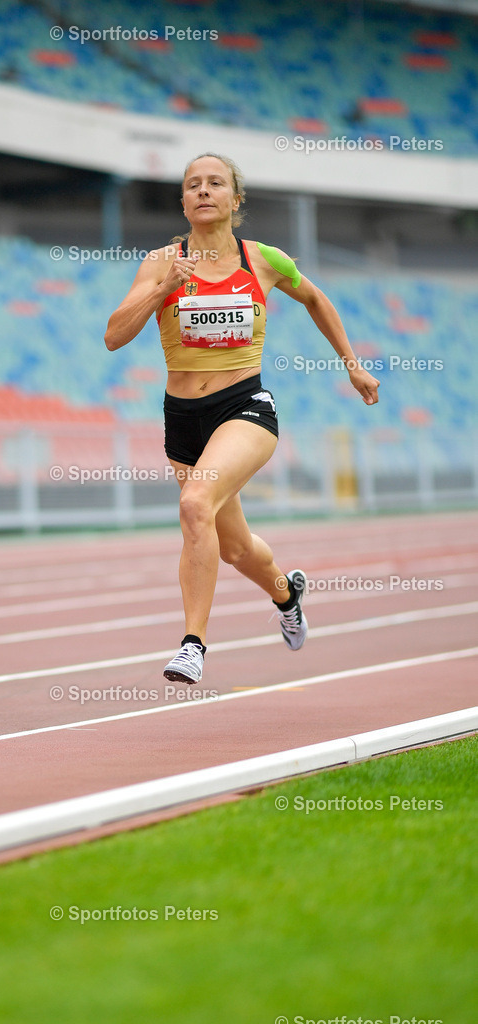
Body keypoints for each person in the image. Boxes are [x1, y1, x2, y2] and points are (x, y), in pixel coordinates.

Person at [104, 153, 380, 684]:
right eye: (193, 185)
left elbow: (316, 299)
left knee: (193, 504)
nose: (203, 191)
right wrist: (163, 290)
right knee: (232, 547)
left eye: (216, 183)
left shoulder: (265, 261)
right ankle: (287, 592)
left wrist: (353, 366)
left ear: (236, 199)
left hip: (245, 407)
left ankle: (192, 645)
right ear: (183, 201)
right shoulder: (162, 262)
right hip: (183, 416)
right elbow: (115, 336)